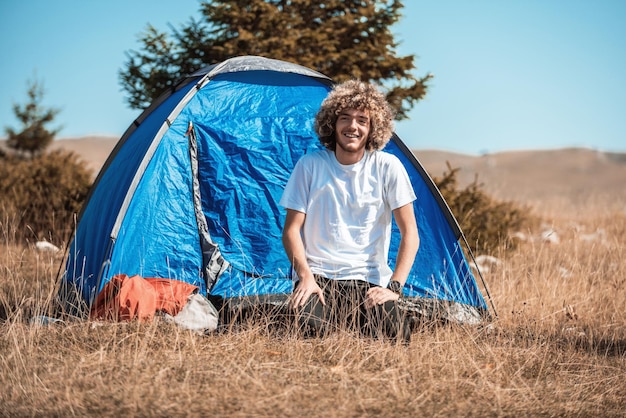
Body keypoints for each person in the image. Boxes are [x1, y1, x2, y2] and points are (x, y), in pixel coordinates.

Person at [279, 80, 420, 342]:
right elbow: (291, 231)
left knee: (397, 337)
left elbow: (410, 232)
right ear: (332, 123)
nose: (352, 126)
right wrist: (305, 278)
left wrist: (394, 289)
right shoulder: (309, 166)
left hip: (370, 282)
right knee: (304, 336)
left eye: (362, 120)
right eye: (345, 118)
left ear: (372, 127)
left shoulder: (388, 166)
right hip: (319, 279)